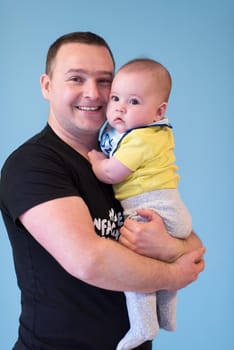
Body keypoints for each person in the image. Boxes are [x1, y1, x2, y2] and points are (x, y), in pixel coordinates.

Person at [0, 32, 205, 350]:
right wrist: (174, 273)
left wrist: (166, 245)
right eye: (76, 79)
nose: (93, 93)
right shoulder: (33, 165)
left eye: (104, 81)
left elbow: (191, 245)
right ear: (47, 86)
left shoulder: (122, 159)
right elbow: (90, 260)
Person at [88, 58, 193, 349]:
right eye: (116, 98)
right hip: (173, 211)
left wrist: (97, 160)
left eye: (133, 101)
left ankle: (144, 324)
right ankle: (168, 315)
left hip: (149, 208)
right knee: (163, 261)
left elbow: (112, 173)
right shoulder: (157, 131)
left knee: (136, 269)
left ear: (159, 111)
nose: (120, 107)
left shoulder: (141, 139)